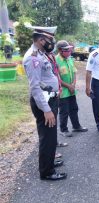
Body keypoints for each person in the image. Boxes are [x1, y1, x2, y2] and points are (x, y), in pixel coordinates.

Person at [23, 26, 67, 181]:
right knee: (47, 137)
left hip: (49, 99)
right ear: (41, 40)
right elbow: (35, 87)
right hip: (44, 103)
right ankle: (47, 171)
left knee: (50, 136)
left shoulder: (41, 53)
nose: (51, 43)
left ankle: (49, 163)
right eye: (50, 40)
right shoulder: (33, 57)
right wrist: (46, 110)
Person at [56, 40, 88, 137]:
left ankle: (76, 126)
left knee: (74, 108)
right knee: (64, 111)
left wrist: (73, 84)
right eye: (66, 50)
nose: (69, 52)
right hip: (63, 91)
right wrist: (69, 86)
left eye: (69, 50)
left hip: (72, 90)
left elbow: (74, 72)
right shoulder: (55, 60)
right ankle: (63, 129)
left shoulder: (69, 59)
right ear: (60, 50)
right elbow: (56, 78)